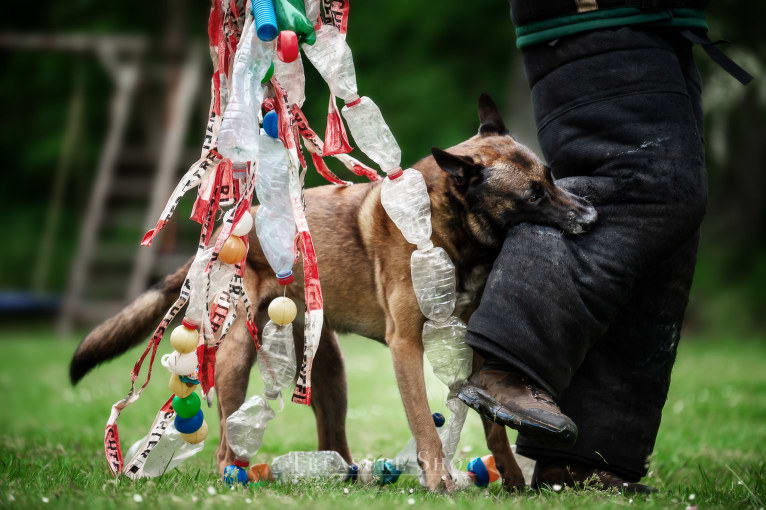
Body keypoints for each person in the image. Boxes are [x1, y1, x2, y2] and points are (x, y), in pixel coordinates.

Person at [457, 0, 751, 493]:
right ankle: (508, 359)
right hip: (596, 13)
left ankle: (582, 458)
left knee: (672, 213)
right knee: (641, 187)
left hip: (653, 19)